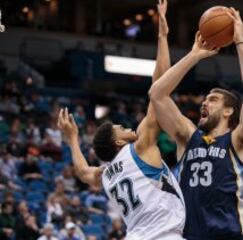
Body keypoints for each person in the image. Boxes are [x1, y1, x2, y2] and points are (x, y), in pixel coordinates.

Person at [57, 1, 185, 239]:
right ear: (117, 142)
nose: (126, 127)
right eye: (120, 129)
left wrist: (72, 138)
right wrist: (163, 36)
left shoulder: (105, 174)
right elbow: (159, 90)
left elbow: (84, 172)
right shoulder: (141, 147)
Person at [149, 7, 243, 240]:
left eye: (213, 100)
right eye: (205, 98)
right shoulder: (187, 136)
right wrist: (195, 55)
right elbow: (157, 94)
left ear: (229, 111)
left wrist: (239, 42)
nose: (204, 103)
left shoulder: (239, 141)